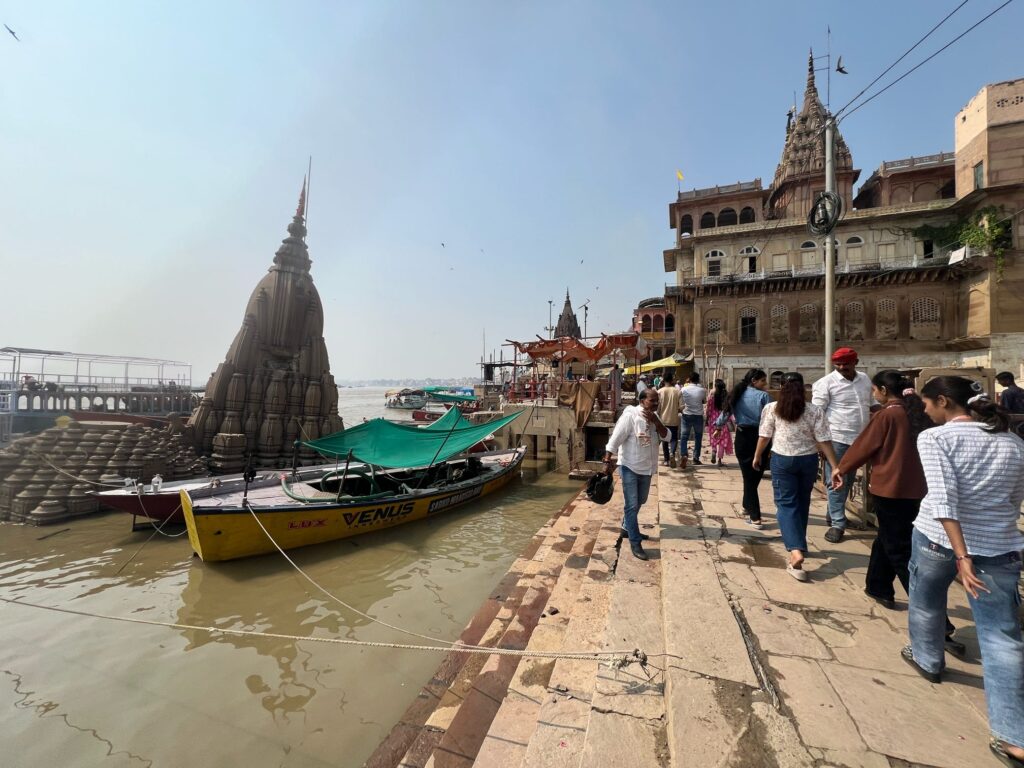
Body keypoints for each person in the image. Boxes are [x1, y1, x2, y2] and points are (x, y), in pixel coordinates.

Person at [902, 376, 1024, 766]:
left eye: (927, 404)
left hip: (942, 540)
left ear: (943, 402)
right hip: (1000, 545)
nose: (924, 411)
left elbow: (942, 497)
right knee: (1003, 636)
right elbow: (1014, 498)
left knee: (925, 600)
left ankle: (928, 659)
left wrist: (962, 554)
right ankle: (1013, 735)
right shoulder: (1013, 443)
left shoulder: (937, 439)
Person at [831, 371, 933, 608]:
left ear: (884, 391)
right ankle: (878, 586)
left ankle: (932, 613)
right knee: (886, 536)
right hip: (917, 487)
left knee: (899, 547)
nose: (873, 395)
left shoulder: (888, 416)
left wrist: (841, 468)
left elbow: (864, 446)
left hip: (890, 487)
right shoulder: (919, 413)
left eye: (874, 390)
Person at [753, 372, 839, 582]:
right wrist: (835, 466)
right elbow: (825, 440)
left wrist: (757, 456)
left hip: (783, 460)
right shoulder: (814, 410)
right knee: (802, 502)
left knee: (785, 504)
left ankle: (795, 550)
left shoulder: (772, 408)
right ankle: (799, 542)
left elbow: (764, 436)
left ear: (781, 387)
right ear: (803, 388)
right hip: (807, 460)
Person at [812, 347, 873, 543]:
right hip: (836, 438)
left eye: (845, 364)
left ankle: (834, 515)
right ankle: (838, 524)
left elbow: (872, 404)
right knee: (836, 481)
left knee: (849, 479)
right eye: (837, 364)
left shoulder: (864, 379)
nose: (841, 367)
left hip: (860, 438)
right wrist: (819, 443)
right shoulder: (826, 383)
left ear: (855, 362)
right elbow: (817, 414)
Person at [603, 387, 669, 561]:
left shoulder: (655, 417)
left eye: (657, 401)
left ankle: (627, 527)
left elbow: (667, 436)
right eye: (652, 401)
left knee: (641, 500)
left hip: (647, 468)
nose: (655, 403)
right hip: (629, 466)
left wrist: (656, 422)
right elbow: (615, 439)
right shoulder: (630, 416)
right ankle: (635, 542)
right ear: (641, 401)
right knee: (631, 505)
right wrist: (607, 460)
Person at [730, 369, 773, 529]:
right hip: (761, 437)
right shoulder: (764, 396)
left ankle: (747, 505)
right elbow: (772, 418)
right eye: (763, 381)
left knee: (749, 476)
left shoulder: (737, 393)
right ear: (754, 380)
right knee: (753, 476)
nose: (765, 384)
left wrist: (718, 426)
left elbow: (726, 413)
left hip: (743, 437)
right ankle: (756, 517)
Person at [679, 371, 707, 466]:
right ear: (698, 380)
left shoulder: (683, 389)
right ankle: (696, 458)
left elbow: (680, 399)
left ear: (689, 379)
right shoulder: (702, 390)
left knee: (684, 437)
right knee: (698, 437)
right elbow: (703, 400)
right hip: (698, 415)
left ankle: (684, 455)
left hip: (686, 414)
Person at [705, 378, 734, 466]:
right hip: (723, 421)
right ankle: (719, 460)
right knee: (722, 441)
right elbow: (729, 410)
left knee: (714, 438)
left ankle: (714, 451)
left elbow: (708, 410)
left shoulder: (711, 398)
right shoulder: (726, 397)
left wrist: (707, 420)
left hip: (713, 421)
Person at [657, 372, 682, 468]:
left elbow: (658, 408)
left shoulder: (660, 392)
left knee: (664, 440)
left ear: (663, 380)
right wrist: (677, 409)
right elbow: (682, 407)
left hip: (663, 419)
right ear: (672, 380)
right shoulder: (677, 391)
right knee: (674, 438)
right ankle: (672, 453)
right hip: (674, 419)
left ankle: (666, 460)